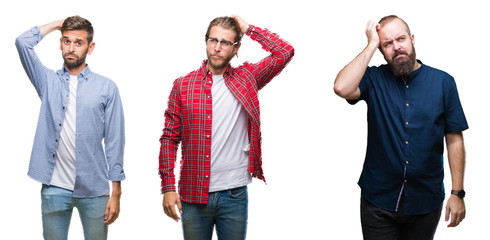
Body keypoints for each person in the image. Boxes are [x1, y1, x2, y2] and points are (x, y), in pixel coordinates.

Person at [159, 15, 294, 239]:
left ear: (236, 48)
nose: (217, 48)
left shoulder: (247, 78)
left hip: (234, 194)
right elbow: (169, 138)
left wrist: (248, 28)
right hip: (193, 195)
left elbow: (285, 52)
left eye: (225, 43)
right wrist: (167, 186)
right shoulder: (183, 85)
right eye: (213, 40)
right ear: (206, 42)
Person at [333, 15, 468, 240]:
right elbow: (341, 87)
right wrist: (370, 45)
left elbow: (454, 138)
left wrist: (457, 192)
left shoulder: (443, 83)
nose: (396, 47)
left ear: (412, 39)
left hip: (426, 202)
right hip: (378, 201)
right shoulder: (373, 78)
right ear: (381, 50)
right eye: (387, 44)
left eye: (401, 39)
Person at [16, 16, 125, 240]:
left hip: (95, 189)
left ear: (90, 47)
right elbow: (22, 42)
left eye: (78, 42)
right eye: (66, 41)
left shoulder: (107, 88)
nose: (71, 48)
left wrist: (116, 191)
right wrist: (58, 24)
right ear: (60, 44)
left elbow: (115, 140)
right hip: (54, 187)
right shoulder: (47, 81)